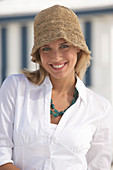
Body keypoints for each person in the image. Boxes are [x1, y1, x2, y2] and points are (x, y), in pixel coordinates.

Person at [0, 4, 113, 170]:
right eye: (46, 48)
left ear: (78, 48)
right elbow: (2, 154)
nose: (56, 57)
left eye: (64, 46)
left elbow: (98, 167)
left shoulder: (100, 108)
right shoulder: (16, 88)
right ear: (38, 54)